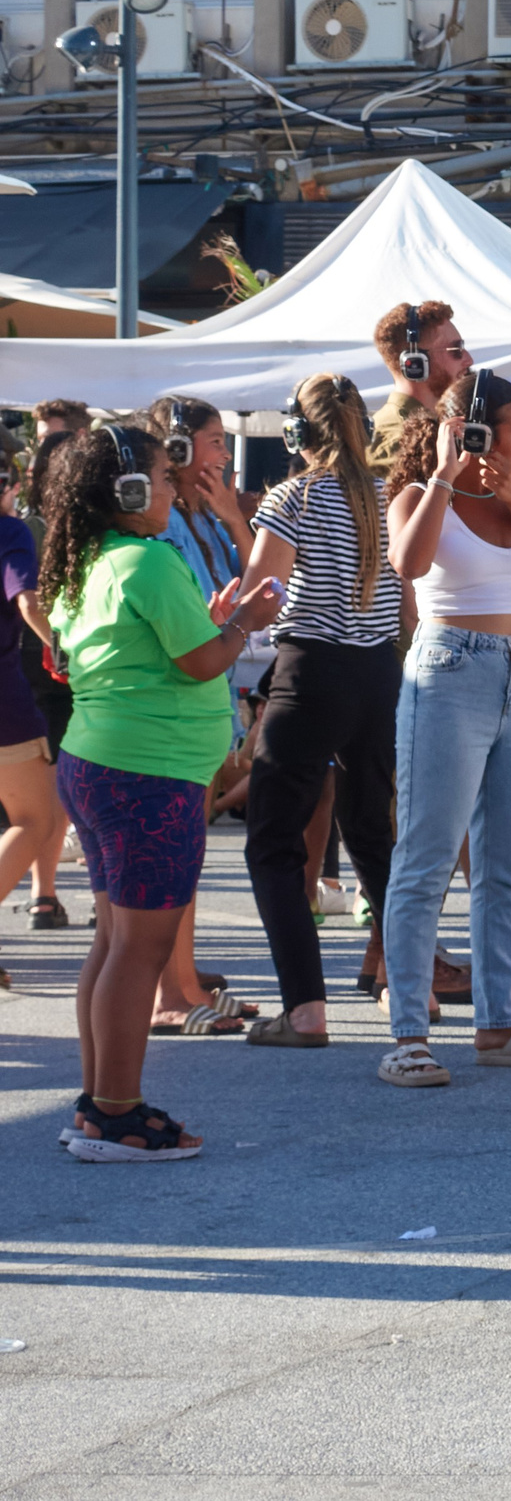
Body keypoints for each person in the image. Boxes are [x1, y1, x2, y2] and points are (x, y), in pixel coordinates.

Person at [48, 424, 283, 1158]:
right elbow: (199, 664)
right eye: (159, 475)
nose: (174, 486)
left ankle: (97, 1104)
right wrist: (245, 620)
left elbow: (151, 650)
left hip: (104, 764)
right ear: (125, 489)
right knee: (138, 952)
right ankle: (116, 1114)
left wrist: (214, 627)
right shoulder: (145, 562)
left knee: (116, 942)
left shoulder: (90, 558)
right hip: (146, 777)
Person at [375, 370, 511, 1088]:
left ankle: (498, 1021)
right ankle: (407, 1031)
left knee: (508, 859)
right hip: (448, 670)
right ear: (476, 430)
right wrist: (442, 475)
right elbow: (409, 562)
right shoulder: (415, 495)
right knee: (427, 854)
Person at [237, 374, 407, 1048]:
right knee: (376, 837)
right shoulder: (388, 497)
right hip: (378, 674)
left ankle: (305, 1008)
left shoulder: (294, 496)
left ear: (296, 434)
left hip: (312, 672)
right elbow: (410, 602)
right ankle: (406, 984)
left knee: (273, 843)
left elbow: (263, 597)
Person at [143, 396, 256, 1032]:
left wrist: (233, 516)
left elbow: (257, 574)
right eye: (215, 442)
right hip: (180, 700)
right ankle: (173, 994)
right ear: (179, 450)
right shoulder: (160, 526)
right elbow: (186, 617)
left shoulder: (202, 516)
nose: (224, 454)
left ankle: (182, 982)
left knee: (189, 852)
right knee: (174, 855)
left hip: (208, 697)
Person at [0, 460, 69, 996]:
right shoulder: (10, 530)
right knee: (38, 819)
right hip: (4, 701)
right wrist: (60, 646)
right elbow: (26, 598)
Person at [366, 300, 475, 472]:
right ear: (415, 364)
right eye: (456, 350)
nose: (469, 359)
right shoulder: (397, 442)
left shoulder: (438, 428)